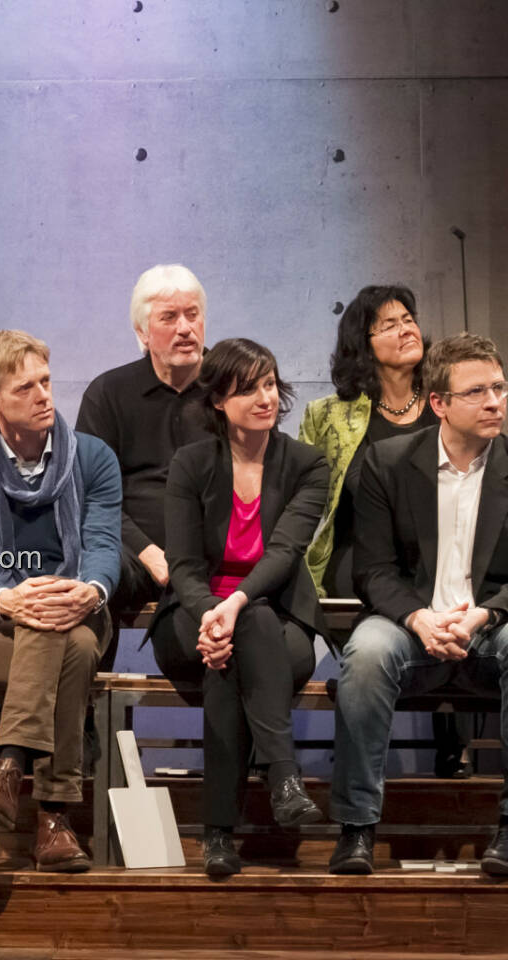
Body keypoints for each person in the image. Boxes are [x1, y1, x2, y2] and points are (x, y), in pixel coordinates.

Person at [0, 330, 121, 873]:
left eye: (46, 381)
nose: (45, 395)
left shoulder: (93, 457)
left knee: (66, 632)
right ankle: (54, 820)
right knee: (71, 650)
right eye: (27, 388)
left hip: (83, 607)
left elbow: (104, 543)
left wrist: (88, 589)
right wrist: (8, 598)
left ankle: (9, 766)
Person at [329, 333, 508, 877]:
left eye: (499, 388)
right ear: (439, 404)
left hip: (492, 621)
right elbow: (372, 570)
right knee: (364, 655)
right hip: (411, 622)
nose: (495, 402)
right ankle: (356, 827)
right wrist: (418, 617)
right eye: (477, 392)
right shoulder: (387, 462)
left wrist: (484, 613)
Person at [148, 339, 328, 877]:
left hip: (279, 619)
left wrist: (237, 604)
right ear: (219, 400)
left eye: (269, 383)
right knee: (232, 643)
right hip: (192, 616)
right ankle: (282, 777)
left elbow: (284, 552)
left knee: (240, 639)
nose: (264, 397)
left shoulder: (307, 464)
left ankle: (218, 833)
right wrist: (213, 612)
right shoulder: (192, 462)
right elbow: (182, 565)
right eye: (248, 388)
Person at [299, 285, 470, 778]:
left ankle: (451, 744)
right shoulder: (328, 415)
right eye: (389, 324)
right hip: (359, 558)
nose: (407, 328)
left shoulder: (448, 405)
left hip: (438, 556)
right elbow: (306, 499)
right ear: (362, 342)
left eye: (409, 317)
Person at [77, 264, 214, 662]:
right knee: (91, 574)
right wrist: (149, 552)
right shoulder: (109, 393)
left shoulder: (231, 389)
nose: (185, 328)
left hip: (211, 557)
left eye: (193, 314)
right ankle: (87, 713)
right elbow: (92, 494)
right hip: (133, 554)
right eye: (169, 318)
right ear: (142, 332)